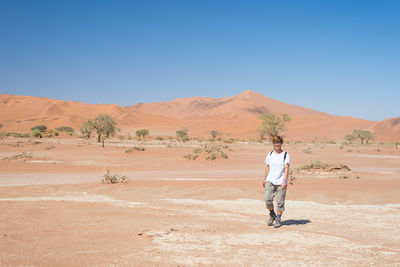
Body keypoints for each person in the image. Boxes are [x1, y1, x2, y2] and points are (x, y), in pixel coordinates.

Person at [262, 136, 290, 228]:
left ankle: (278, 218)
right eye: (275, 143)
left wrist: (285, 181)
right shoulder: (270, 154)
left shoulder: (285, 155)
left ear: (281, 143)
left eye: (278, 142)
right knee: (267, 199)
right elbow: (267, 167)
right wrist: (264, 179)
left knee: (280, 202)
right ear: (273, 144)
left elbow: (286, 168)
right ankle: (272, 214)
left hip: (281, 181)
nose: (277, 144)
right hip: (270, 180)